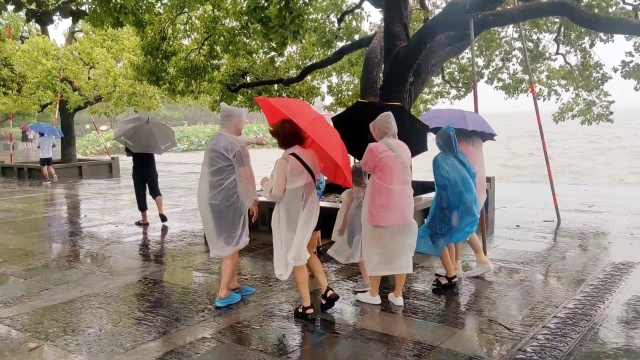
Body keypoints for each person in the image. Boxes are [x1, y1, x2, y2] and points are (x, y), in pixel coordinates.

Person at [260, 119, 340, 321]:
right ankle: (326, 290)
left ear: (280, 140)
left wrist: (266, 184)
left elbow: (277, 195)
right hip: (312, 213)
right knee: (307, 252)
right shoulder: (311, 155)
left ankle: (306, 306)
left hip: (292, 217)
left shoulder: (284, 162)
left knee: (297, 259)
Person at [198, 102, 259, 308]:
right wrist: (253, 200)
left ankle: (233, 283)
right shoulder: (236, 145)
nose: (244, 123)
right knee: (232, 246)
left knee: (231, 241)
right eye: (242, 120)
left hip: (215, 200)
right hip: (231, 201)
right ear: (234, 121)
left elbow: (234, 146)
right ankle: (223, 292)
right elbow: (245, 177)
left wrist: (250, 141)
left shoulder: (215, 139)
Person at [356, 112, 417, 307]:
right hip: (404, 207)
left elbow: (366, 168)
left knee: (376, 248)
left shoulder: (374, 148)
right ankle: (397, 294)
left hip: (380, 208)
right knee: (402, 250)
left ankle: (373, 293)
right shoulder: (405, 148)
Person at [416, 126, 480, 289]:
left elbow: (442, 185)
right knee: (449, 235)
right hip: (462, 207)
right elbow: (472, 177)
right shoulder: (460, 157)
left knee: (438, 236)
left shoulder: (440, 160)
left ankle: (451, 275)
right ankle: (451, 269)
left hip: (446, 205)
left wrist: (442, 208)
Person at [433, 130, 494, 278]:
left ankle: (481, 259)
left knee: (463, 227)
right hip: (471, 190)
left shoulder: (456, 148)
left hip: (461, 194)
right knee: (458, 227)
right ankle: (456, 265)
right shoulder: (474, 140)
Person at [328, 163, 370, 292]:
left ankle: (367, 281)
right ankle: (369, 279)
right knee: (365, 252)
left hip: (355, 224)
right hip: (366, 225)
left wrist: (343, 227)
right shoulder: (369, 190)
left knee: (359, 253)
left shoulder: (352, 192)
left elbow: (348, 211)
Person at [125, 147, 167, 226]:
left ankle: (144, 219)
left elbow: (128, 154)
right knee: (155, 190)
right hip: (151, 167)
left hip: (138, 169)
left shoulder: (131, 138)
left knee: (140, 193)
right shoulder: (150, 137)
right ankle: (161, 211)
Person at [312, 174, 326, 255]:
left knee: (315, 227)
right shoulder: (320, 176)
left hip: (311, 206)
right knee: (317, 227)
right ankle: (318, 245)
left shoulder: (312, 176)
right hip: (317, 204)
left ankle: (314, 250)